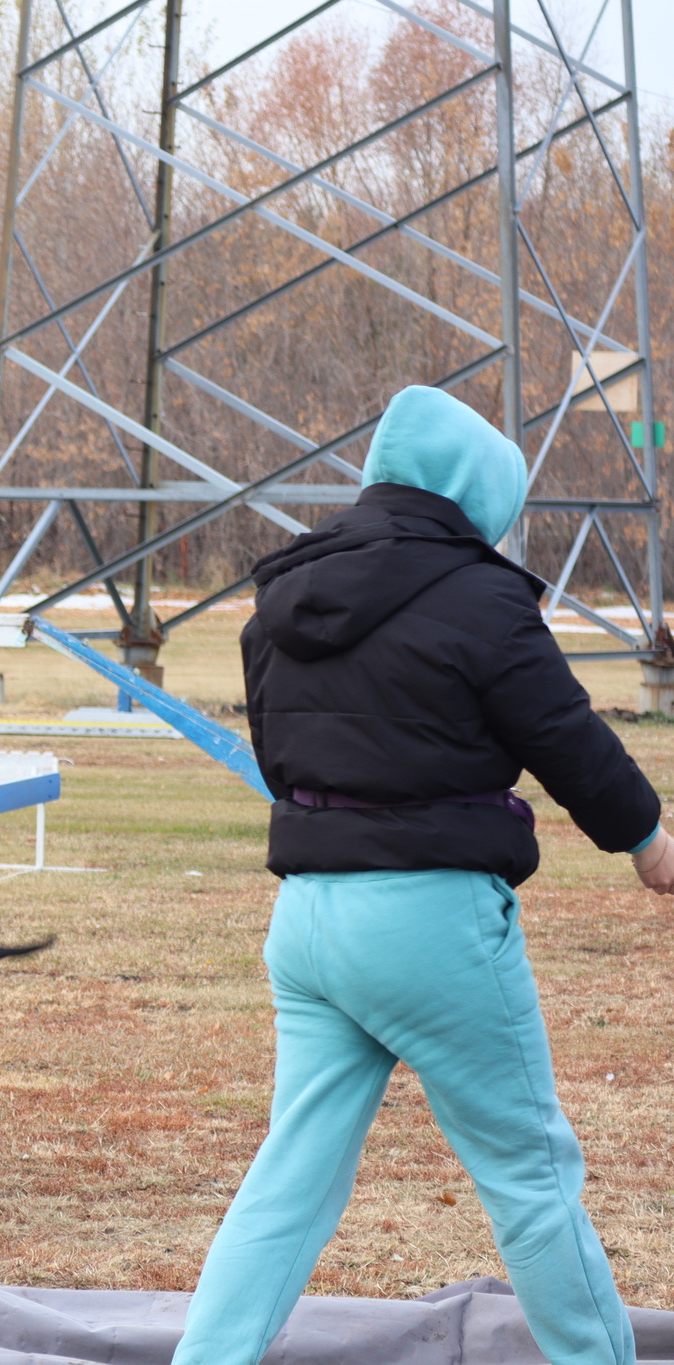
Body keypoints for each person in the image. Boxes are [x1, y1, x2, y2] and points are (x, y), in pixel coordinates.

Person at [173, 385, 674, 1365]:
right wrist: (648, 843)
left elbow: (278, 759)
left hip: (306, 922)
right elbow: (565, 740)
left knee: (290, 1181)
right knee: (530, 1179)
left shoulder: (280, 592)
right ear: (473, 496)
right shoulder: (480, 596)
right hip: (430, 924)